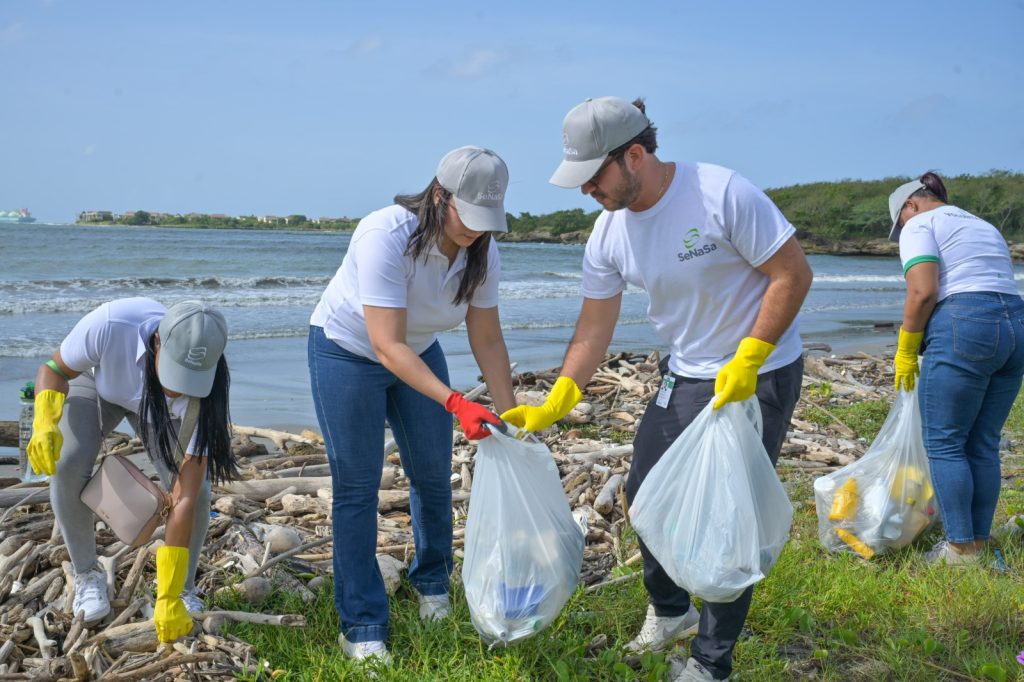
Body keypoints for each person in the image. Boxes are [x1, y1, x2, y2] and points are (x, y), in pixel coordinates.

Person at [501, 97, 812, 681]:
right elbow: (595, 325)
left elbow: (792, 273)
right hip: (687, 372)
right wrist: (561, 395)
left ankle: (710, 665)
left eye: (593, 177)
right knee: (643, 492)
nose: (586, 190)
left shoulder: (721, 194)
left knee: (728, 518)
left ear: (635, 156)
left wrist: (751, 355)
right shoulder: (608, 231)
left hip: (758, 372)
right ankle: (671, 612)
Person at [308, 146, 517, 665]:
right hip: (348, 352)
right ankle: (361, 623)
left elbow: (487, 339)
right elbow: (385, 345)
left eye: (485, 220)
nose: (475, 229)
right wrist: (454, 402)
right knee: (357, 488)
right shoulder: (385, 234)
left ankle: (432, 583)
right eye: (469, 216)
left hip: (419, 352)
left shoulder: (482, 252)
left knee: (432, 474)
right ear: (439, 194)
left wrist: (511, 415)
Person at [27, 298, 236, 642]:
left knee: (197, 494)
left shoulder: (206, 393)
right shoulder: (112, 325)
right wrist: (45, 418)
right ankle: (87, 575)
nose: (176, 387)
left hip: (159, 415)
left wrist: (167, 596)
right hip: (100, 388)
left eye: (189, 379)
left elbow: (181, 499)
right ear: (157, 342)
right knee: (67, 461)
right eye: (174, 372)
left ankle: (183, 589)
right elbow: (54, 369)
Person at [888, 172, 1024, 565]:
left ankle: (960, 549)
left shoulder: (921, 224)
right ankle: (977, 542)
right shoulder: (980, 223)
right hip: (1013, 325)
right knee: (982, 441)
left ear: (910, 206)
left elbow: (923, 290)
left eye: (900, 224)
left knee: (945, 441)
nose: (902, 231)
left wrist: (906, 347)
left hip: (965, 325)